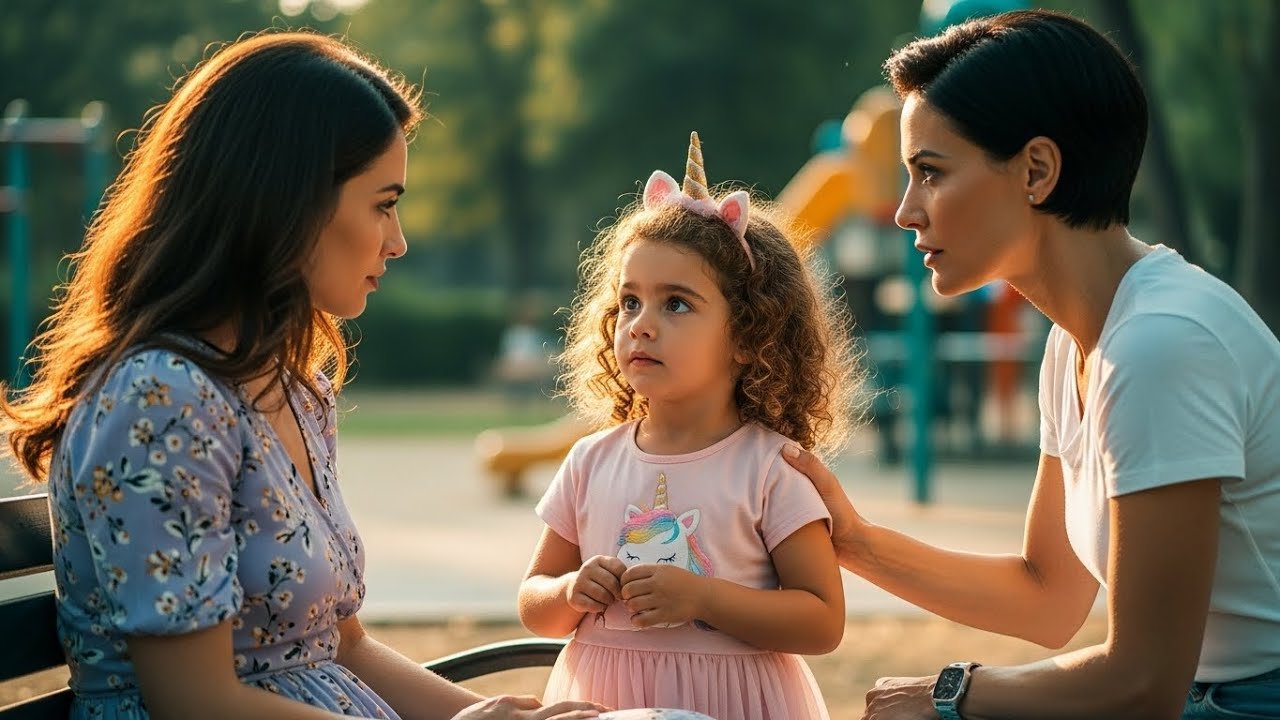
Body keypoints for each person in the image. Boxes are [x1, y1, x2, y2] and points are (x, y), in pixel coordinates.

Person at [0, 31, 606, 720]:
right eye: (383, 203)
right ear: (287, 202)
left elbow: (342, 648)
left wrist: (499, 715)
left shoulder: (288, 385)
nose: (397, 240)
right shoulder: (160, 401)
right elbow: (195, 701)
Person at [781, 9, 1280, 719]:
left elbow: (1142, 685)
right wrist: (855, 544)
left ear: (1037, 171)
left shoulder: (1160, 344)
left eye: (931, 172)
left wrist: (949, 697)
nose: (905, 211)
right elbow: (1048, 596)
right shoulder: (1074, 341)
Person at [517, 132, 862, 720]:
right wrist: (570, 590)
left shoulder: (771, 468)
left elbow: (821, 620)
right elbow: (534, 601)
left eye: (675, 303)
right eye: (630, 302)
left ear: (750, 338)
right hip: (605, 703)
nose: (641, 325)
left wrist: (703, 597)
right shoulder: (590, 461)